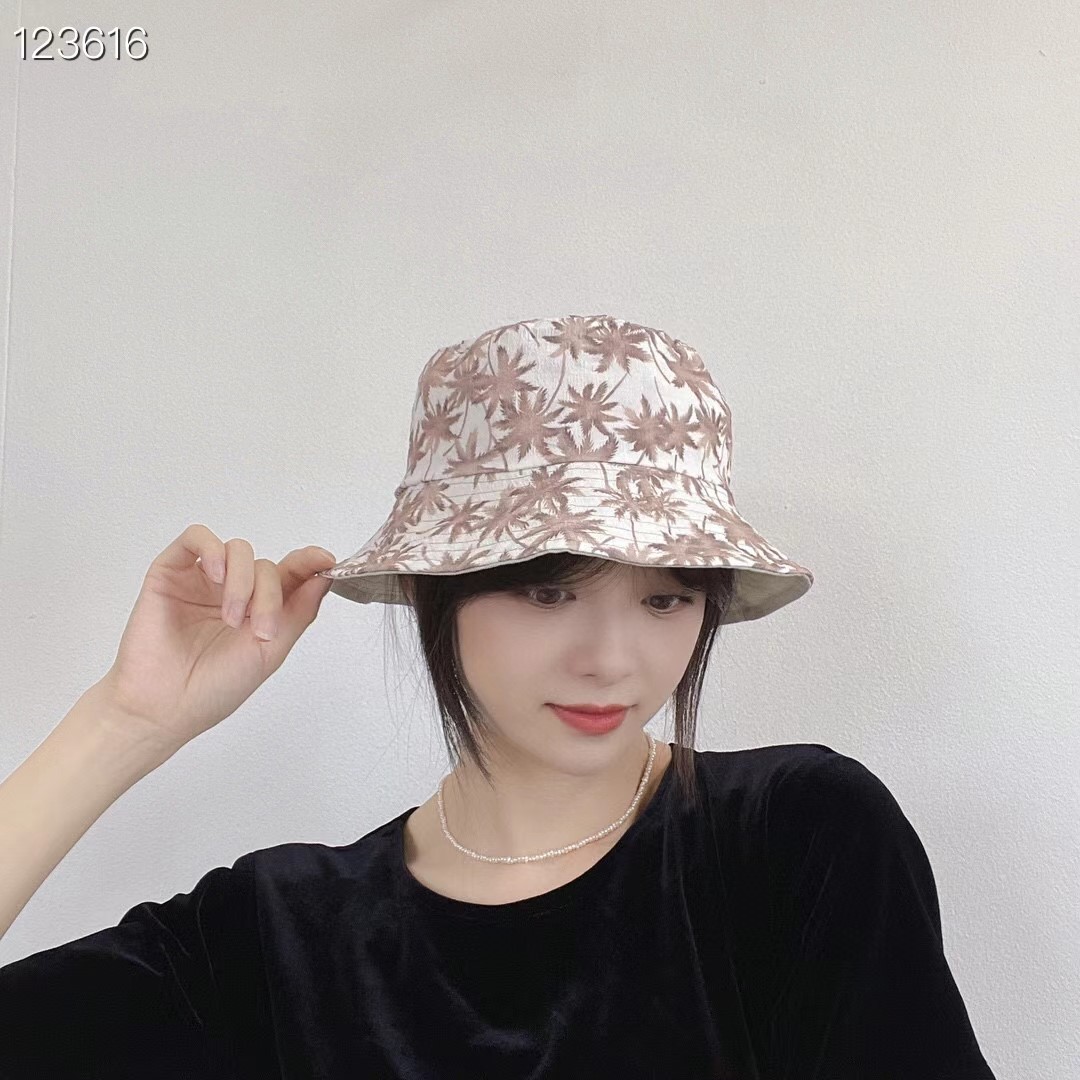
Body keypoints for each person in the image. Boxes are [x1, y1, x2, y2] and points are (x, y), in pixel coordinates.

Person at [0, 315, 997, 1078]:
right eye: (548, 591)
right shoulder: (276, 937)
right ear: (440, 589)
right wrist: (124, 721)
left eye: (665, 597)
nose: (612, 659)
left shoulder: (796, 838)